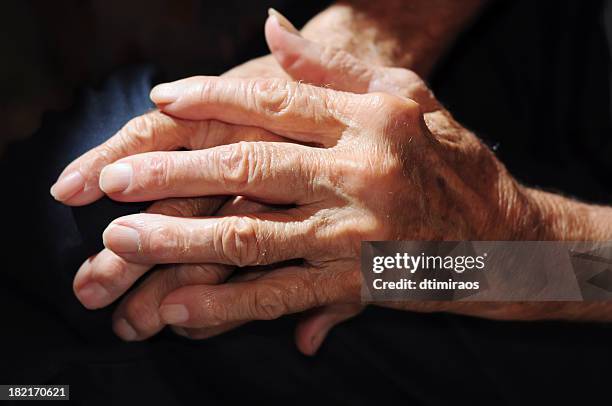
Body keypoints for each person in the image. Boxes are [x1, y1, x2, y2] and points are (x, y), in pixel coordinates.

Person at [3, 1, 612, 404]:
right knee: (108, 197)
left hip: (579, 275)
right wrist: (367, 39)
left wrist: (514, 244)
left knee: (154, 302)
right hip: (547, 38)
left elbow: (524, 260)